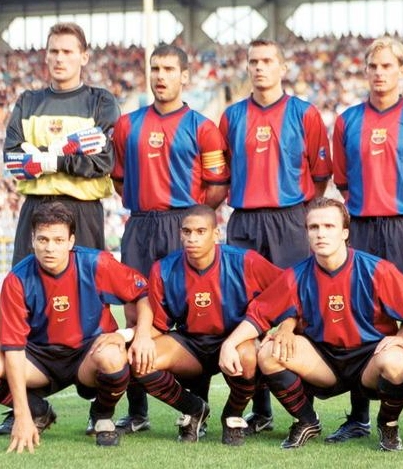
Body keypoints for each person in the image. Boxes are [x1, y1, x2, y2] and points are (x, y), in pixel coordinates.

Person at [218, 197, 403, 451]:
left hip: (369, 359)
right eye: (314, 227)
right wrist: (230, 344)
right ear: (307, 233)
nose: (320, 234)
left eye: (329, 226)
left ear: (345, 232)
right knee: (269, 353)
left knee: (397, 360)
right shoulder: (296, 275)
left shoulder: (376, 270)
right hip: (324, 361)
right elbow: (258, 315)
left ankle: (388, 425)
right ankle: (307, 421)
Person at [332, 36, 403, 446]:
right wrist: (370, 209)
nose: (379, 73)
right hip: (363, 228)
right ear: (365, 71)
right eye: (373, 66)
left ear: (402, 70)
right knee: (362, 317)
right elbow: (342, 180)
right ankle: (360, 416)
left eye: (387, 66)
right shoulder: (347, 121)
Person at [109, 44, 230, 434]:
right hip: (140, 226)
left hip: (183, 223)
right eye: (155, 68)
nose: (160, 76)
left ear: (185, 76)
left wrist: (191, 218)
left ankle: (196, 410)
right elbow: (119, 180)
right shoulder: (127, 126)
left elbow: (217, 186)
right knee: (134, 313)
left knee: (195, 315)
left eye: (169, 69)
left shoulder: (202, 127)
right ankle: (137, 411)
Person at [218, 39, 332, 434]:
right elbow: (223, 171)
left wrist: (297, 213)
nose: (259, 67)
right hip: (245, 221)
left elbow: (320, 176)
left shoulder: (304, 114)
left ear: (282, 67)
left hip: (290, 218)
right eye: (253, 61)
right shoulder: (232, 117)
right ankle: (260, 409)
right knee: (246, 309)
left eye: (268, 61)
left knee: (297, 309)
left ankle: (304, 407)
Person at [112, 205, 281, 444]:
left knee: (248, 357)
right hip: (190, 345)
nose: (192, 238)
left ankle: (232, 415)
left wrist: (284, 329)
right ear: (180, 234)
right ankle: (194, 409)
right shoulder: (164, 269)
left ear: (216, 234)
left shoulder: (246, 261)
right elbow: (159, 324)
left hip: (234, 341)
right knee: (140, 360)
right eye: (187, 232)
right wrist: (131, 336)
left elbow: (289, 291)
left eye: (201, 231)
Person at [0, 202, 152, 452]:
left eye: (58, 240)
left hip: (87, 355)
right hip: (40, 360)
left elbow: (143, 293)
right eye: (43, 239)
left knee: (113, 356)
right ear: (32, 239)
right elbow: (13, 349)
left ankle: (102, 415)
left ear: (71, 241)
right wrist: (22, 413)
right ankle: (37, 410)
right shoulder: (17, 280)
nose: (50, 248)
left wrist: (141, 334)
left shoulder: (96, 263)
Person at [2, 21, 119, 267]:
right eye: (54, 51)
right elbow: (14, 161)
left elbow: (102, 161)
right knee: (26, 287)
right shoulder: (27, 101)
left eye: (67, 52)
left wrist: (45, 159)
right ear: (46, 56)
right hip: (35, 208)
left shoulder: (101, 101)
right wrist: (71, 147)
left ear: (84, 57)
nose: (59, 58)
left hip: (83, 211)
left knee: (86, 286)